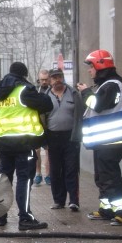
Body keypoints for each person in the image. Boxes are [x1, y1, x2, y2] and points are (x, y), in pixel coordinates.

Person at [0, 62, 53, 231]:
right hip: (24, 143)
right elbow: (47, 104)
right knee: (24, 180)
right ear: (23, 75)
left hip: (4, 142)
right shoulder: (24, 89)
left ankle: (0, 216)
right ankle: (25, 217)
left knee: (4, 179)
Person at [76, 50, 122, 225]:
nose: (89, 71)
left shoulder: (112, 85)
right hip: (102, 142)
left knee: (110, 178)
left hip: (110, 141)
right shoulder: (105, 85)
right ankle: (106, 209)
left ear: (100, 66)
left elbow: (98, 105)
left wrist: (85, 92)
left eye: (91, 67)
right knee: (102, 177)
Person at [45, 67, 84, 211]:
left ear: (63, 78)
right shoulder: (45, 96)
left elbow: (80, 116)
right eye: (54, 78)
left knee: (71, 169)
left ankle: (74, 200)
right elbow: (42, 117)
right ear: (50, 80)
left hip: (70, 137)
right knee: (55, 170)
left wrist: (78, 135)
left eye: (59, 77)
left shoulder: (73, 94)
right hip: (52, 137)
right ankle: (58, 201)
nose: (57, 80)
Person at [34, 69, 51, 186]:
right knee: (36, 151)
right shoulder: (34, 91)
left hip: (49, 125)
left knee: (49, 151)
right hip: (36, 125)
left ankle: (48, 175)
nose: (44, 82)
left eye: (46, 79)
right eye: (42, 80)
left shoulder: (52, 91)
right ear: (38, 80)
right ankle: (38, 174)